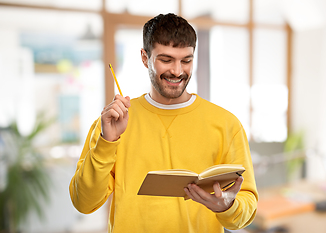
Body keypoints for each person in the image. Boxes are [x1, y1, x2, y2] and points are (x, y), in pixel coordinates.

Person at [69, 13, 258, 233]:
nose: (177, 71)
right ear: (144, 57)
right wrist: (106, 142)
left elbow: (247, 207)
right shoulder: (111, 124)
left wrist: (229, 206)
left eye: (186, 60)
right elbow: (84, 203)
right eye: (166, 60)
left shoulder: (226, 124)